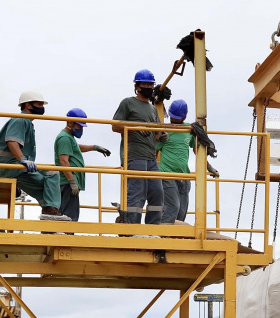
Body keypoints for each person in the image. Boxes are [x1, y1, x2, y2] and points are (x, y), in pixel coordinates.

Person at [0, 90, 69, 221]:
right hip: (10, 167)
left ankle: (50, 211)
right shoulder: (21, 120)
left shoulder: (26, 122)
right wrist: (23, 160)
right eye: (39, 104)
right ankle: (50, 210)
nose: (42, 107)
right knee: (52, 174)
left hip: (9, 168)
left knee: (48, 182)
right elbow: (12, 141)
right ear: (28, 105)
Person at [112, 69, 167, 224]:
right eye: (145, 84)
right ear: (137, 87)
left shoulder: (152, 109)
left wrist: (161, 136)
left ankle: (152, 228)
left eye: (151, 84)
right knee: (137, 193)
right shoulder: (128, 103)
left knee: (157, 192)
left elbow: (156, 133)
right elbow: (115, 126)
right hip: (134, 156)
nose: (148, 87)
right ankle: (132, 228)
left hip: (151, 159)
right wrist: (135, 126)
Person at [157, 99, 218, 224]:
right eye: (172, 118)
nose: (174, 121)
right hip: (167, 174)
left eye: (176, 119)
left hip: (184, 175)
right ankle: (163, 233)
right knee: (173, 207)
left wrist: (209, 167)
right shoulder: (164, 130)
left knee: (181, 212)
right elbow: (155, 151)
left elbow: (197, 151)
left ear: (184, 117)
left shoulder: (189, 130)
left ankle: (176, 234)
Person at [53, 108, 111, 221]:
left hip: (69, 182)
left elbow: (75, 148)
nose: (81, 129)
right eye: (80, 126)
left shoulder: (69, 138)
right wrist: (72, 182)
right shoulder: (64, 138)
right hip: (68, 183)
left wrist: (94, 147)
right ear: (70, 123)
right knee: (69, 217)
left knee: (68, 215)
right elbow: (64, 161)